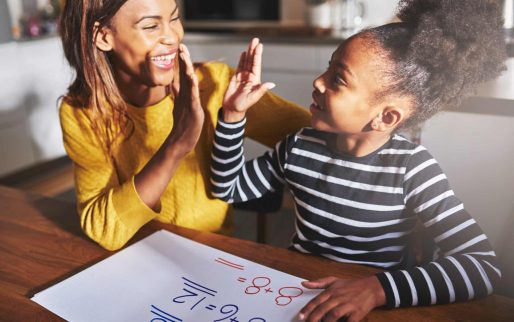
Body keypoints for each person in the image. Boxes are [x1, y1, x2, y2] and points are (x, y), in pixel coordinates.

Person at [210, 0, 507, 321]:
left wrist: (375, 290)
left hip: (374, 302)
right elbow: (230, 189)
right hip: (301, 289)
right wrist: (233, 115)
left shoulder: (412, 168)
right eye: (328, 66)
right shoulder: (299, 146)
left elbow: (482, 266)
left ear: (386, 116)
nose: (318, 81)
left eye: (338, 79)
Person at [58, 0, 310, 251]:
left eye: (175, 19)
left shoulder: (216, 85)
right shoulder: (82, 112)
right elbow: (104, 229)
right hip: (134, 253)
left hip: (212, 252)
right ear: (103, 37)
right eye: (151, 26)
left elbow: (325, 137)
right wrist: (177, 144)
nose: (172, 36)